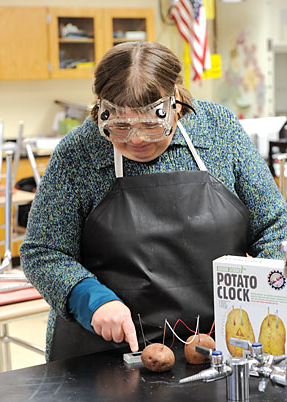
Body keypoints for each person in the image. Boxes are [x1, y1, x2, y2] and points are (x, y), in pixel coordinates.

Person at [20, 41, 287, 362]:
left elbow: (274, 225)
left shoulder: (218, 131)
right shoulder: (79, 152)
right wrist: (90, 299)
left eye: (151, 125)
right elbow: (43, 251)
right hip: (107, 352)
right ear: (100, 110)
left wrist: (270, 295)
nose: (137, 139)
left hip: (215, 345)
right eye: (119, 126)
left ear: (175, 102)